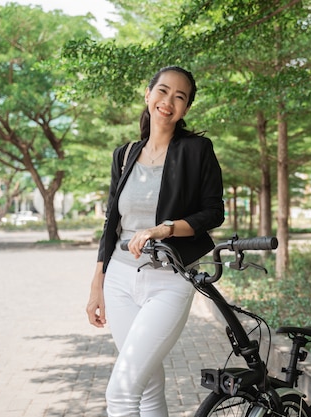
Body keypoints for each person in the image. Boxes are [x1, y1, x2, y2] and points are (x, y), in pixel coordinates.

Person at [86, 66, 225, 417]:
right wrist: (97, 284)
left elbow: (213, 213)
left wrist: (165, 228)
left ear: (186, 109)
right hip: (118, 279)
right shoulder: (125, 154)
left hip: (169, 280)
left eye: (180, 97)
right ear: (147, 95)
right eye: (162, 91)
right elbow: (111, 223)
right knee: (147, 385)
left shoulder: (197, 150)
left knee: (120, 392)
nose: (168, 101)